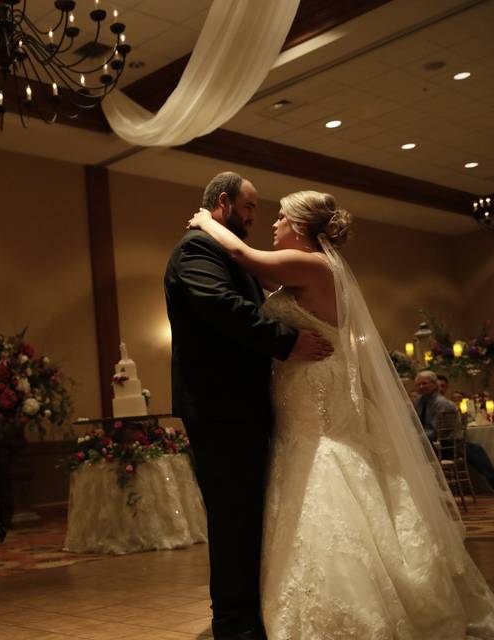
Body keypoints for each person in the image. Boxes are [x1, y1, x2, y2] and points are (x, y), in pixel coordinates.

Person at [188, 190, 494, 639]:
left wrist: (206, 220)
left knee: (324, 482)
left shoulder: (311, 265)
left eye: (280, 217)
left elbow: (244, 254)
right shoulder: (312, 270)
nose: (274, 223)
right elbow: (261, 279)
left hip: (313, 405)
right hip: (302, 398)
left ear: (299, 228)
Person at [165, 172, 333, 640]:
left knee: (249, 514)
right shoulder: (195, 251)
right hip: (220, 408)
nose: (256, 218)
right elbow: (223, 308)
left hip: (245, 405)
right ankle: (234, 625)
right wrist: (287, 341)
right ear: (224, 202)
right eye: (251, 208)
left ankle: (251, 611)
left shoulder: (225, 252)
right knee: (232, 515)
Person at [413, 371, 494, 495]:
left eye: (424, 384)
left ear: (435, 384)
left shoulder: (443, 404)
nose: (421, 387)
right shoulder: (419, 402)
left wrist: (414, 438)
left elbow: (436, 432)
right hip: (429, 444)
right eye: (418, 385)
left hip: (440, 445)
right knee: (472, 448)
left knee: (470, 448)